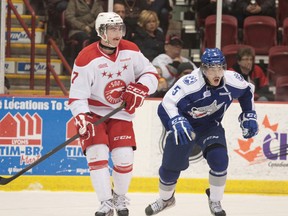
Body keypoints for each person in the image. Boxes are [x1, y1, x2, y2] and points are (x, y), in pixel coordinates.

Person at [145, 48, 259, 216]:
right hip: (186, 127)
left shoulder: (232, 80)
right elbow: (166, 105)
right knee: (170, 169)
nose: (216, 73)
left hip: (210, 126)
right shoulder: (189, 83)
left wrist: (249, 114)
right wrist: (175, 121)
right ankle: (166, 199)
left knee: (219, 159)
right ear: (203, 69)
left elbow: (247, 91)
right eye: (211, 69)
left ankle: (215, 199)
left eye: (220, 68)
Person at [68, 12, 158, 216]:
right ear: (101, 32)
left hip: (120, 112)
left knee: (124, 157)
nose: (118, 33)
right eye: (112, 29)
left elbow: (150, 73)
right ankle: (106, 202)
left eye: (120, 28)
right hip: (93, 112)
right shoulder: (86, 58)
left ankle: (119, 196)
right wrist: (81, 117)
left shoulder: (131, 50)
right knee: (97, 153)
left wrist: (142, 87)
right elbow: (77, 95)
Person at [64, 0, 104, 66]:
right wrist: (83, 27)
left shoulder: (97, 3)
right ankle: (81, 64)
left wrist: (91, 27)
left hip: (93, 30)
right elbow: (69, 17)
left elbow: (100, 18)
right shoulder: (74, 2)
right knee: (84, 37)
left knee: (101, 38)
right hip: (77, 30)